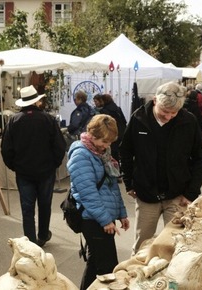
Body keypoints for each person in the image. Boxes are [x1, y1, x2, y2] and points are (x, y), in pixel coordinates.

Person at [120, 81, 202, 253]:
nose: (168, 117)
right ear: (155, 101)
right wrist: (128, 183)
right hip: (146, 195)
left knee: (177, 244)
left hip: (178, 195)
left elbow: (201, 158)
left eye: (173, 113)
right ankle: (136, 277)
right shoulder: (138, 118)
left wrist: (191, 193)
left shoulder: (188, 121)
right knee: (142, 244)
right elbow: (125, 152)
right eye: (164, 112)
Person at [67, 114, 129, 290]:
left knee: (95, 263)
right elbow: (88, 194)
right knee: (108, 268)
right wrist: (105, 220)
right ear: (92, 135)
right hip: (92, 219)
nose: (107, 145)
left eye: (110, 142)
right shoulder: (81, 155)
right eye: (105, 141)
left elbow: (112, 187)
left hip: (102, 216)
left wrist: (121, 213)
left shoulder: (101, 153)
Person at [1, 85, 66, 246]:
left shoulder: (14, 121)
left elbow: (5, 149)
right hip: (46, 170)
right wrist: (54, 164)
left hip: (24, 172)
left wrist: (14, 166)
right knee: (45, 204)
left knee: (27, 208)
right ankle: (43, 235)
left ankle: (30, 242)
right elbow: (60, 146)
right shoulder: (48, 119)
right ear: (37, 101)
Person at [97, 94, 127, 163]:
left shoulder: (104, 111)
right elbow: (124, 121)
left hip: (111, 135)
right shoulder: (118, 108)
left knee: (112, 155)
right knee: (119, 154)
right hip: (121, 133)